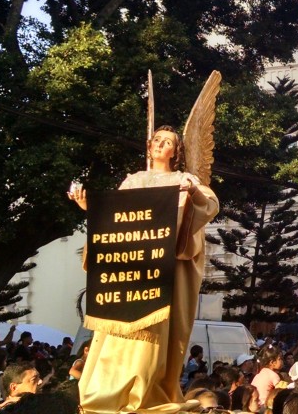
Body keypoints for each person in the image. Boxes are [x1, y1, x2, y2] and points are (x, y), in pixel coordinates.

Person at [69, 125, 220, 413]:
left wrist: (192, 194)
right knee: (115, 336)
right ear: (149, 146)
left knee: (151, 341)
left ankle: (146, 394)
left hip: (159, 272)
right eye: (157, 140)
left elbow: (209, 205)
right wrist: (91, 208)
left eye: (168, 142)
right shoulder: (133, 181)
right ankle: (107, 395)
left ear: (176, 152)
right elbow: (118, 220)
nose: (160, 145)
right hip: (131, 271)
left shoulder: (183, 179)